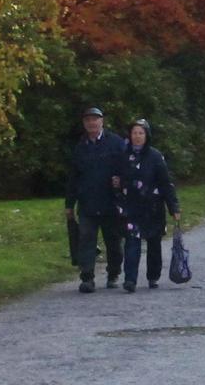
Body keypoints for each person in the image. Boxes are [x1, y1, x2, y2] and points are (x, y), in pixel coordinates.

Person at [64, 107, 128, 294]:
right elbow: (74, 177)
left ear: (102, 122)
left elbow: (128, 168)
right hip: (87, 203)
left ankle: (113, 273)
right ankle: (87, 278)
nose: (91, 123)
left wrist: (121, 182)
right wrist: (69, 204)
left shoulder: (116, 143)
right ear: (84, 123)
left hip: (111, 202)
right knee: (86, 240)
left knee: (114, 242)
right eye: (88, 120)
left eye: (95, 119)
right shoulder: (80, 147)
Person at [117, 120, 179, 291]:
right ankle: (130, 280)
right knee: (132, 242)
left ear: (146, 136)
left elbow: (166, 183)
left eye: (141, 133)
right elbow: (117, 177)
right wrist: (117, 184)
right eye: (134, 133)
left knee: (154, 243)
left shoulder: (155, 156)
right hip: (132, 207)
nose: (137, 136)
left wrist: (173, 207)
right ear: (130, 135)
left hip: (153, 208)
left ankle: (153, 276)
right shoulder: (124, 156)